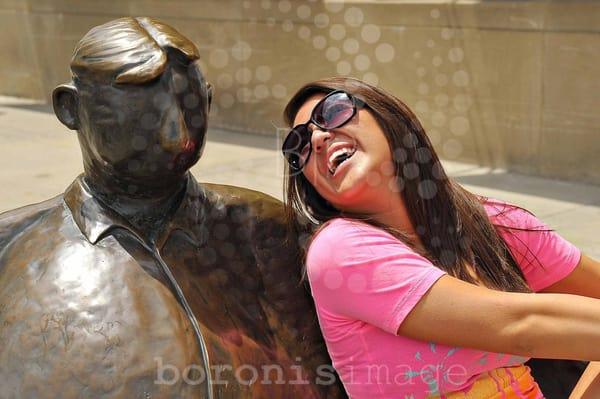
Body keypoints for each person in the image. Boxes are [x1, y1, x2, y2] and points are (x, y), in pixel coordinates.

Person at [0, 18, 345, 398]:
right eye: (142, 114)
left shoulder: (269, 231)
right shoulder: (10, 252)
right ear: (70, 109)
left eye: (192, 107)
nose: (176, 136)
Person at [280, 76, 600, 398]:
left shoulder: (498, 226)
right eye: (299, 146)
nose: (318, 139)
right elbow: (517, 325)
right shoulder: (340, 251)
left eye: (333, 111)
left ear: (388, 117)